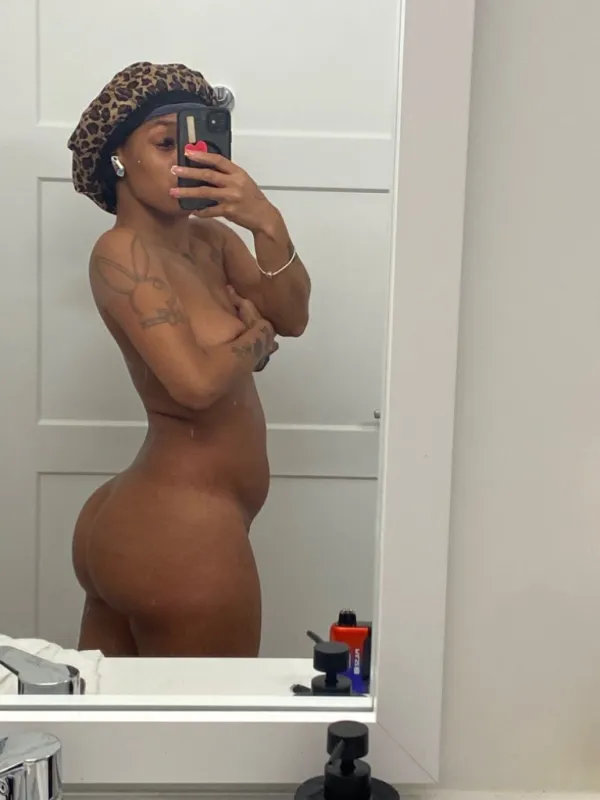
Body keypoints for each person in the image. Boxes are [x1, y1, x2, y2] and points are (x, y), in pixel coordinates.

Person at [67, 62, 311, 657]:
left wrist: (265, 220)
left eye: (194, 142)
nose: (185, 159)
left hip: (160, 522)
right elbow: (196, 384)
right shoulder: (121, 251)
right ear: (118, 158)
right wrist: (254, 341)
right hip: (179, 533)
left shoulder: (212, 240)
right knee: (209, 717)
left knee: (119, 715)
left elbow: (293, 316)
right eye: (163, 143)